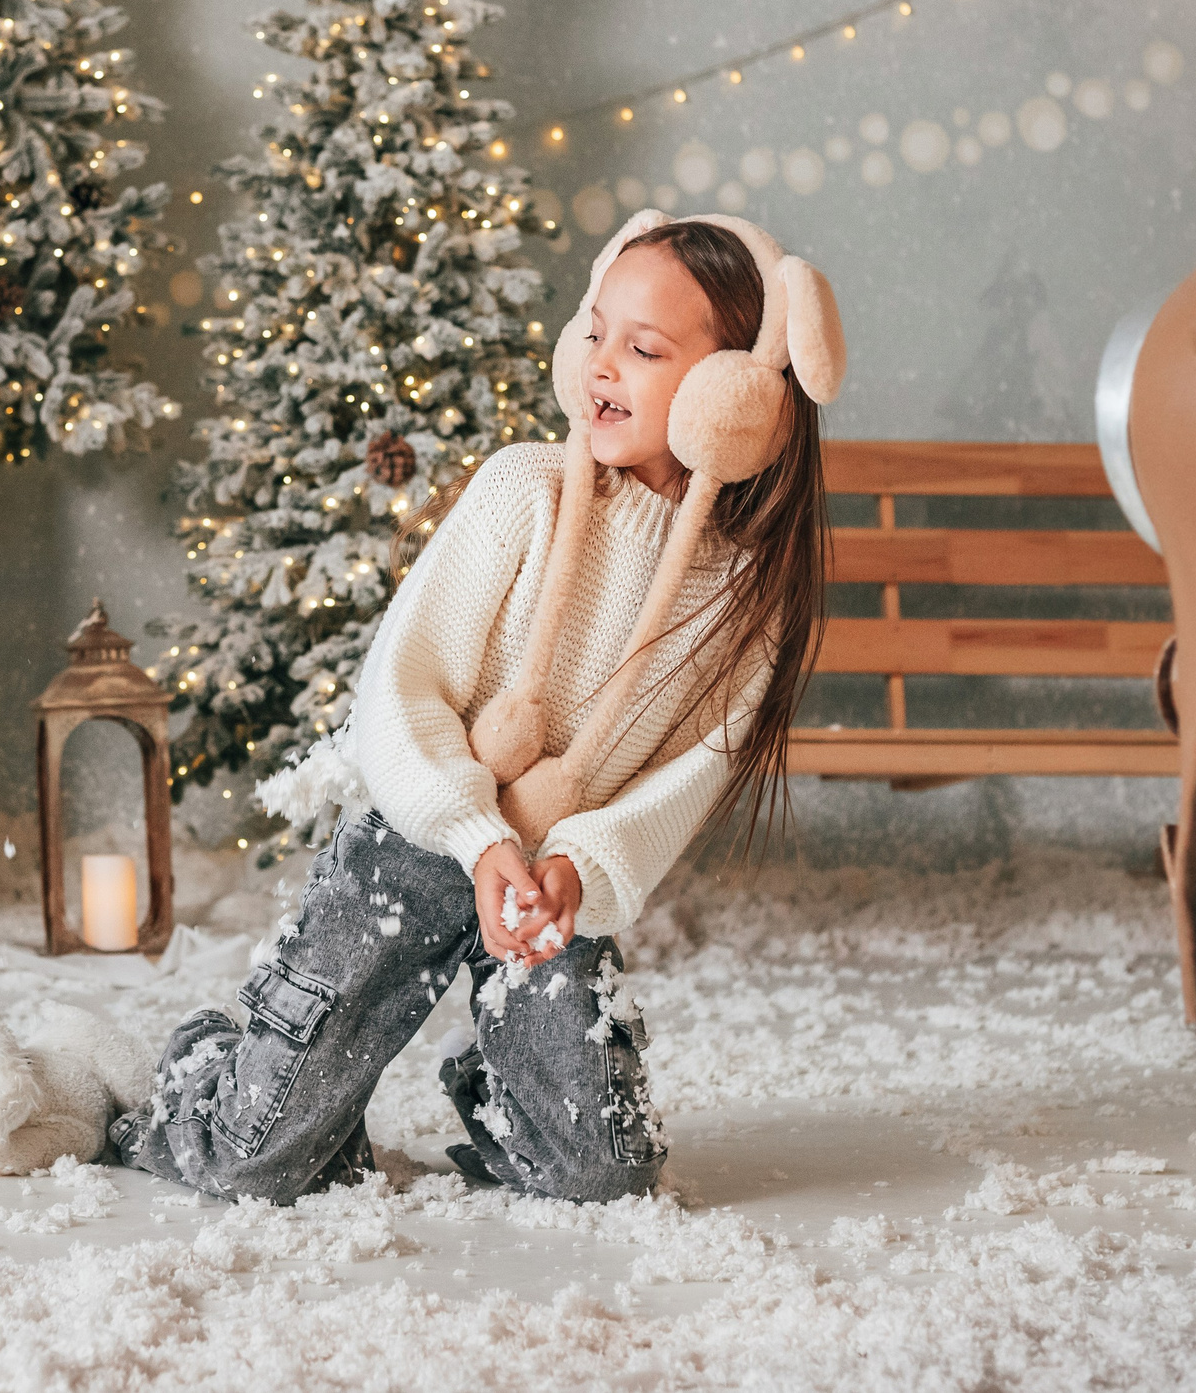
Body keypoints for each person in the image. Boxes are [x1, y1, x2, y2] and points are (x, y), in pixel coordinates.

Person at [113, 212, 842, 1204]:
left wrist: (576, 870)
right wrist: (469, 826)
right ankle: (212, 1056)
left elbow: (684, 780)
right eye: (595, 332)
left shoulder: (739, 596)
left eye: (644, 348)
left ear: (737, 394)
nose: (601, 366)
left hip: (552, 881)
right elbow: (403, 683)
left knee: (600, 1178)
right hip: (419, 840)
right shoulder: (522, 490)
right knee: (250, 1159)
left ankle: (500, 1071)